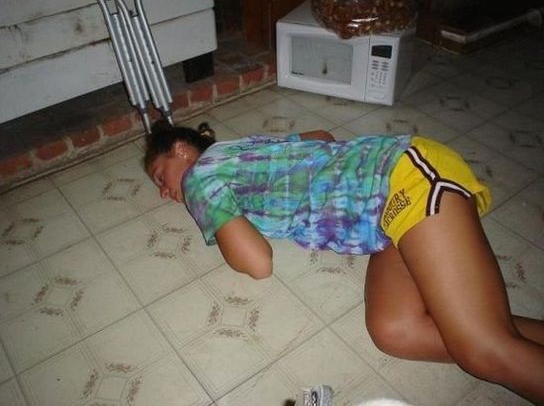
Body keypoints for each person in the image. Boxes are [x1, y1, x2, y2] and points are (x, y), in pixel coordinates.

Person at [145, 120, 544, 404]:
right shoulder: (239, 149)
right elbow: (322, 136)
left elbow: (258, 263)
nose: (164, 191)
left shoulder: (199, 177)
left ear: (181, 150)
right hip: (389, 210)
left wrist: (214, 214)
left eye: (161, 177)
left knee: (483, 350)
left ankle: (496, 340)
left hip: (405, 178)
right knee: (395, 330)